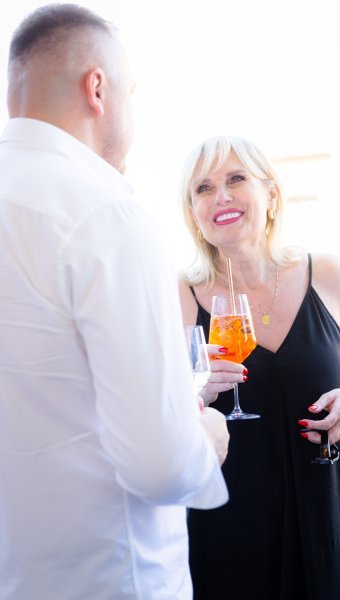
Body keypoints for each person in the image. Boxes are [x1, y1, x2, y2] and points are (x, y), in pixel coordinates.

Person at [0, 5, 229, 599]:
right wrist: (206, 435)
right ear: (98, 88)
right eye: (132, 90)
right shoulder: (105, 213)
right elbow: (160, 465)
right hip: (109, 578)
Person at [178, 135, 340, 599]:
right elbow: (156, 415)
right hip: (231, 524)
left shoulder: (330, 275)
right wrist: (197, 390)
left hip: (330, 512)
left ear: (271, 194)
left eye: (236, 179)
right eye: (204, 188)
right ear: (193, 212)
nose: (221, 196)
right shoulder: (178, 295)